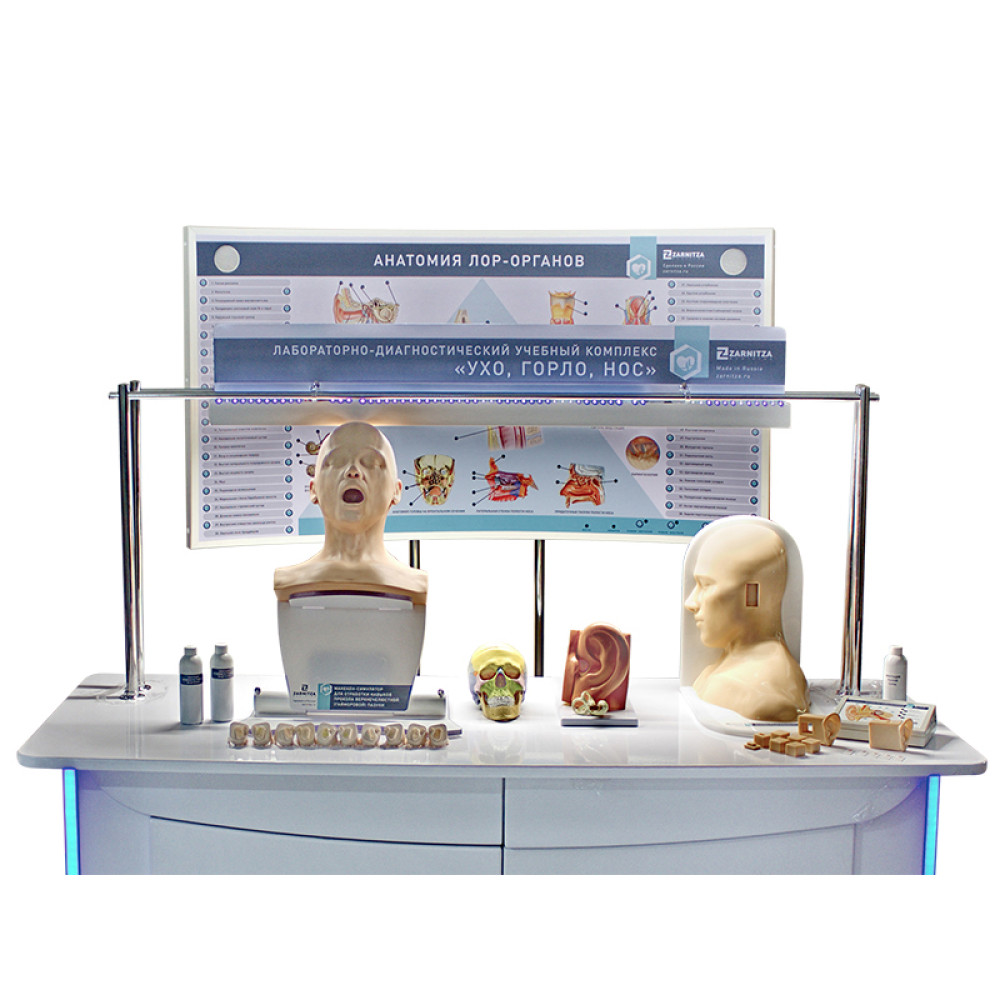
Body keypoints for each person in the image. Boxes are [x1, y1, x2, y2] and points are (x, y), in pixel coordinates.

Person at [274, 422, 428, 602]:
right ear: (313, 490)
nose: (353, 471)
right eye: (336, 462)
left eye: (371, 462)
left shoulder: (415, 583)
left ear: (396, 491)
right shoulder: (288, 580)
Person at [685, 519, 808, 721]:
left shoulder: (763, 695)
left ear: (752, 595)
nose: (690, 603)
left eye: (706, 585)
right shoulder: (718, 670)